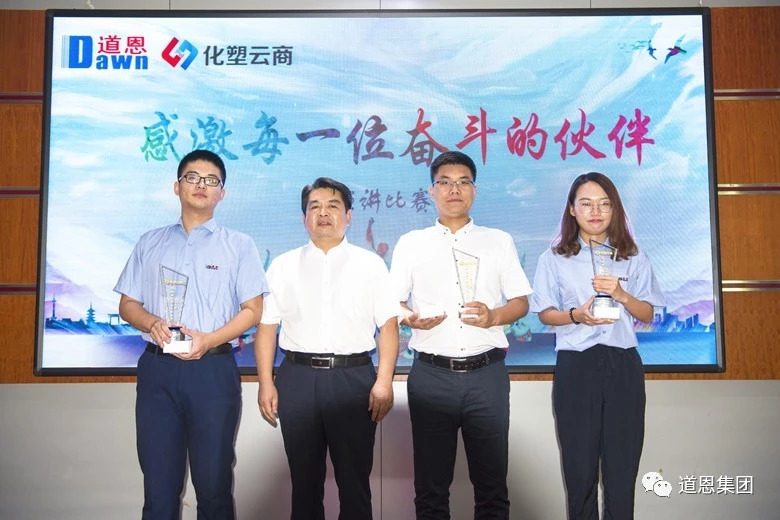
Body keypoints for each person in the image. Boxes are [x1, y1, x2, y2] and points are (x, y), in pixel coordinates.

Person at [114, 149, 267, 519]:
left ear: (222, 193)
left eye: (211, 180)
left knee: (213, 487)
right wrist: (150, 322)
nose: (201, 185)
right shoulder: (149, 242)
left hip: (212, 372)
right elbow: (127, 304)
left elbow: (253, 310)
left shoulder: (239, 245)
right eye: (192, 177)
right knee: (158, 488)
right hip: (158, 371)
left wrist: (208, 340)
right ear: (176, 186)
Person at [390, 151, 532, 519]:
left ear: (474, 189)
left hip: (487, 376)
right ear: (431, 190)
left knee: (492, 488)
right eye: (445, 182)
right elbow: (392, 302)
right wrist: (410, 318)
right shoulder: (411, 242)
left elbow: (521, 302)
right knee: (431, 489)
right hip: (431, 376)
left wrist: (494, 316)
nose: (455, 189)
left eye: (463, 182)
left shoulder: (498, 241)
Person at [256, 177, 399, 520]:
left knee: (355, 484)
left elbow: (389, 327)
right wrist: (265, 383)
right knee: (304, 484)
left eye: (333, 206)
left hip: (353, 379)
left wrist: (384, 381)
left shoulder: (371, 265)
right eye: (314, 207)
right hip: (297, 379)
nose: (323, 213)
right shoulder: (282, 265)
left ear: (348, 216)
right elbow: (266, 328)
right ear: (303, 217)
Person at [529, 172, 664, 520]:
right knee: (579, 471)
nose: (596, 211)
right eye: (586, 204)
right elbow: (544, 313)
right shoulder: (553, 258)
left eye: (604, 204)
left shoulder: (633, 256)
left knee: (622, 470)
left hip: (623, 365)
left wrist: (621, 294)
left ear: (615, 209)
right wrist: (576, 315)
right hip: (577, 366)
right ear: (572, 209)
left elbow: (648, 314)